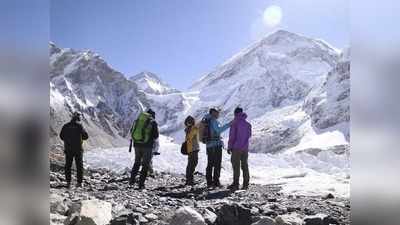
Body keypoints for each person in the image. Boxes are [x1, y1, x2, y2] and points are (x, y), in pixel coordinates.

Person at [129, 108, 159, 189]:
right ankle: (141, 184)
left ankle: (131, 181)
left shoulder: (138, 120)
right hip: (147, 146)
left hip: (136, 145)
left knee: (137, 163)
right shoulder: (153, 122)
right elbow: (156, 136)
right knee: (145, 165)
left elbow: (131, 131)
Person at [203, 108, 231, 188]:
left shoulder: (206, 120)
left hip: (209, 145)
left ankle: (209, 182)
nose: (218, 114)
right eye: (217, 113)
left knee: (210, 163)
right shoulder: (213, 120)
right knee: (217, 164)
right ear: (213, 113)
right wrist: (229, 124)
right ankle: (216, 181)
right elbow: (219, 130)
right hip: (216, 145)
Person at [59, 112, 89, 188]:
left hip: (68, 149)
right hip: (78, 149)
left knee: (68, 165)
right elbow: (86, 136)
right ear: (78, 118)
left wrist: (68, 140)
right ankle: (79, 183)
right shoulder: (79, 126)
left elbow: (61, 136)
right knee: (79, 165)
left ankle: (68, 182)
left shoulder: (66, 126)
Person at [227, 107, 252, 190]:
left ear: (235, 113)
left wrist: (229, 147)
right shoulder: (248, 124)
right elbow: (249, 136)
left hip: (236, 148)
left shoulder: (234, 123)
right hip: (245, 148)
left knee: (236, 166)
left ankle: (236, 184)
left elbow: (232, 136)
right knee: (245, 165)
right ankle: (246, 184)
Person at [184, 116, 200, 186]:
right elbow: (190, 137)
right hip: (193, 148)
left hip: (190, 149)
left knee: (191, 164)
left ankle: (189, 179)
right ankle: (189, 180)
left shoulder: (188, 129)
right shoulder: (192, 129)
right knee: (193, 163)